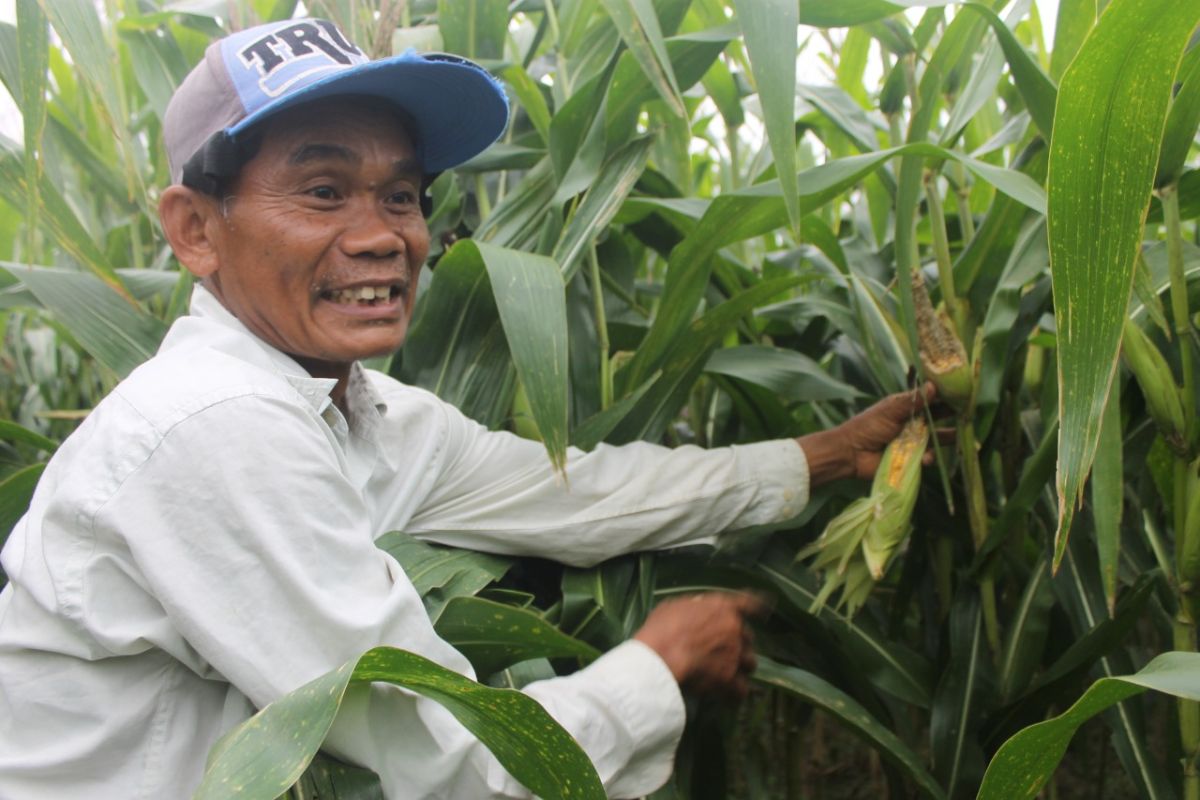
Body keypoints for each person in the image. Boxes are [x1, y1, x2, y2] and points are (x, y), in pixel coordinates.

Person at [0, 18, 933, 799]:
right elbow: (459, 760)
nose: (381, 237)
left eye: (401, 195)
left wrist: (820, 457)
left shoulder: (360, 410)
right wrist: (660, 660)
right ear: (196, 230)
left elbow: (579, 495)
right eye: (323, 191)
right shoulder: (215, 425)